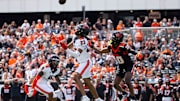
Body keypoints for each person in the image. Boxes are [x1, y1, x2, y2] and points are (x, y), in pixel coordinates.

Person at [60, 24, 103, 101]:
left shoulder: (83, 41)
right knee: (87, 82)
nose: (76, 30)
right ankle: (97, 98)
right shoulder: (76, 38)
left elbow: (76, 55)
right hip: (82, 62)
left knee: (76, 77)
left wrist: (65, 48)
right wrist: (61, 44)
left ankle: (85, 97)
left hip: (85, 62)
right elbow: (69, 47)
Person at [90, 31, 139, 100]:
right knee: (115, 84)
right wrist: (92, 46)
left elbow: (131, 51)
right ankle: (124, 93)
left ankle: (133, 97)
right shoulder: (111, 46)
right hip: (120, 66)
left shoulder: (123, 45)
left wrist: (137, 54)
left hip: (128, 65)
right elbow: (101, 51)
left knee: (127, 80)